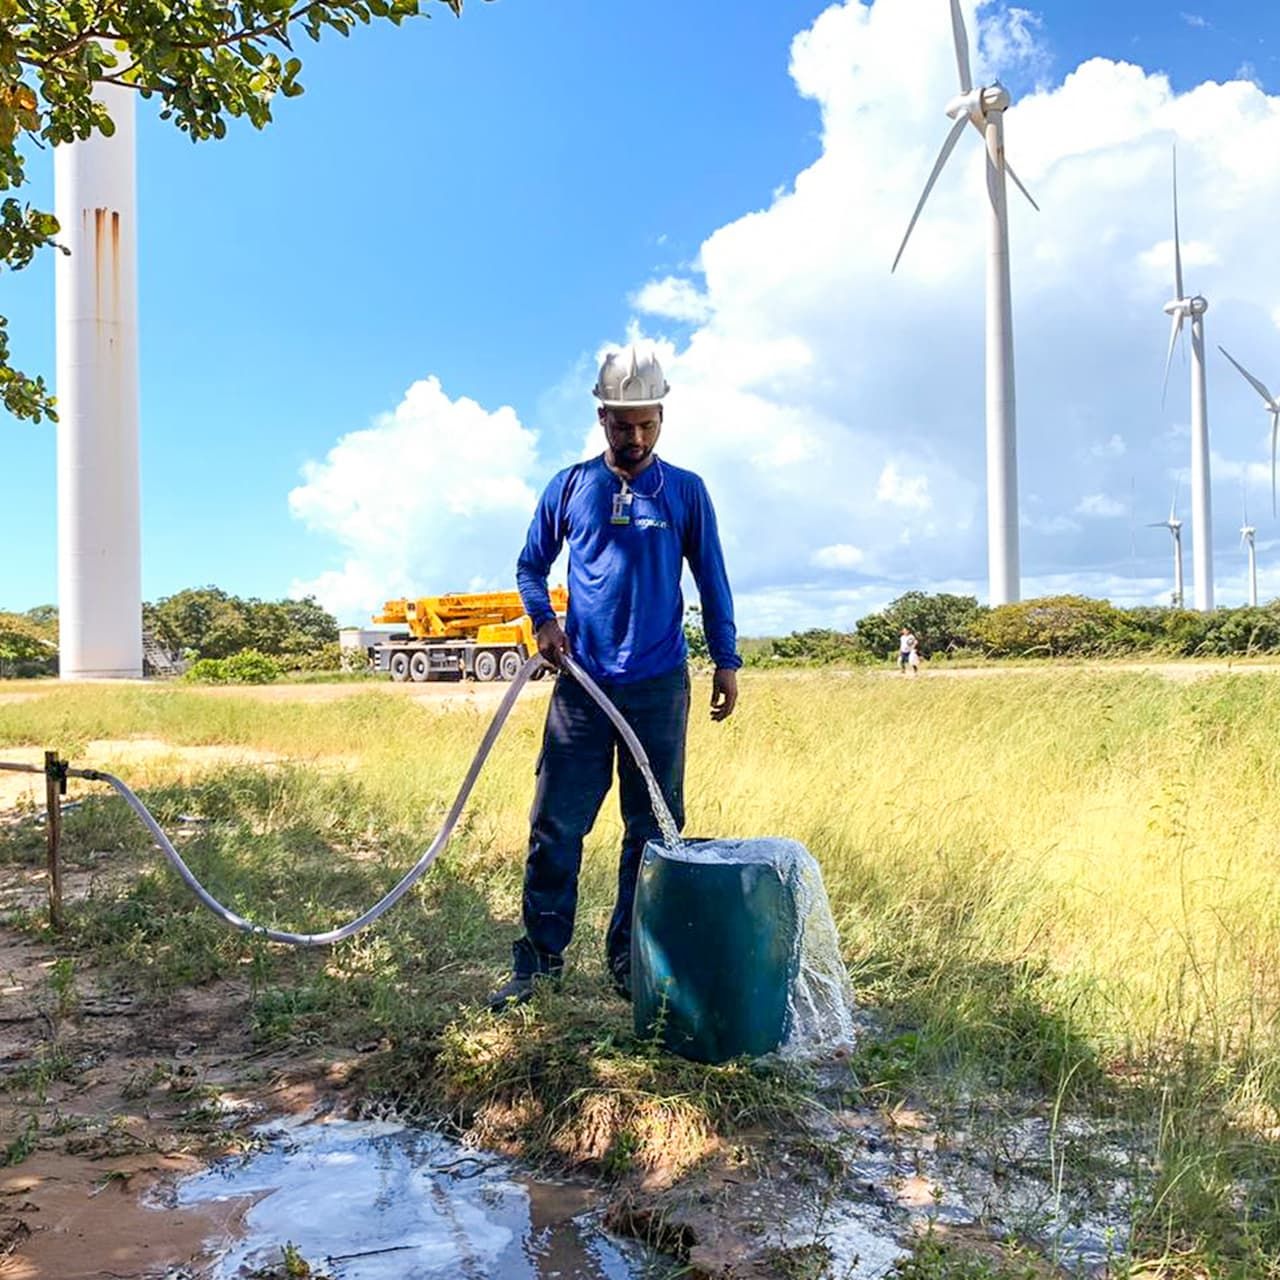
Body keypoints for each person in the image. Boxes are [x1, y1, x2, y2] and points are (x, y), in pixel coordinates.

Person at [488, 346, 742, 1010]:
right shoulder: (570, 487)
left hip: (659, 686)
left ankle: (632, 963)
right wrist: (542, 620)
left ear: (661, 417)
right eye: (621, 425)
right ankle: (540, 960)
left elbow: (712, 578)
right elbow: (529, 564)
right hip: (582, 685)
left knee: (654, 830)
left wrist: (727, 659)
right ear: (602, 417)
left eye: (647, 425)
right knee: (556, 824)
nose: (634, 438)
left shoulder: (684, 491)